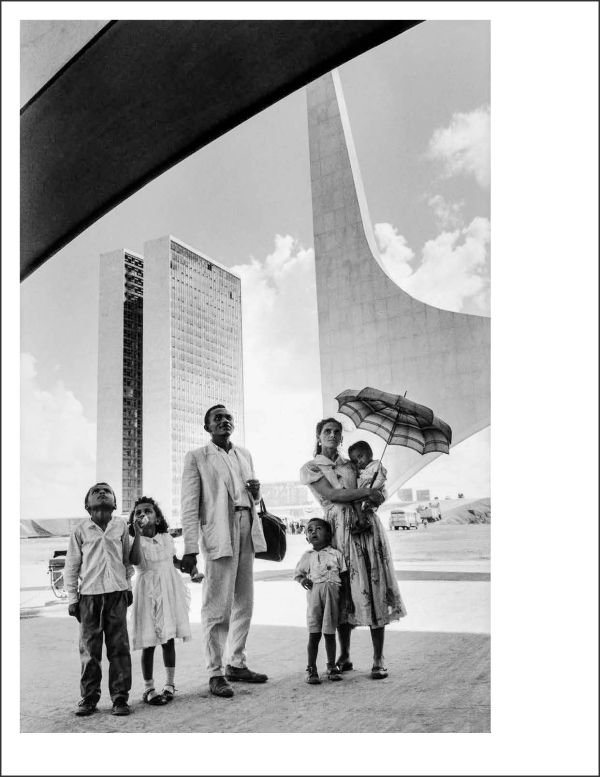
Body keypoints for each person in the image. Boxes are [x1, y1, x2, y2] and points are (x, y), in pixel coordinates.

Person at [299, 419, 407, 680]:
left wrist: (376, 495)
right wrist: (364, 493)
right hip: (337, 529)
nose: (333, 435)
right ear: (318, 436)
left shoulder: (352, 463)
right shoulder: (311, 467)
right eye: (328, 431)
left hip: (366, 526)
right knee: (342, 588)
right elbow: (333, 495)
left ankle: (378, 657)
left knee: (374, 584)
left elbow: (378, 490)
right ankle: (344, 654)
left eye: (337, 432)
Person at [180, 404, 269, 698]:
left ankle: (237, 662)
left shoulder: (244, 454)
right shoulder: (197, 457)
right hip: (219, 530)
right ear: (207, 427)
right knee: (217, 604)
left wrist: (256, 493)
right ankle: (215, 672)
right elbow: (190, 505)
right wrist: (190, 549)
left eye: (228, 417)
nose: (224, 421)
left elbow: (251, 498)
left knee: (245, 599)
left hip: (247, 524)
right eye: (217, 418)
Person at [64, 482, 134, 716]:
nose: (102, 492)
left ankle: (120, 698)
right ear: (87, 505)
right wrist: (73, 598)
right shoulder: (80, 530)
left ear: (115, 503)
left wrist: (128, 587)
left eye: (107, 490)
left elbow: (126, 561)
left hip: (117, 595)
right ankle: (89, 698)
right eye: (96, 491)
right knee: (89, 651)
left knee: (119, 649)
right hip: (89, 598)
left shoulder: (121, 526)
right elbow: (72, 566)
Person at [128, 496, 202, 706]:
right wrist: (135, 533)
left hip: (168, 592)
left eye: (148, 511)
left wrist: (192, 570)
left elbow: (175, 562)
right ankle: (149, 688)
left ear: (158, 518)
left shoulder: (166, 539)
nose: (143, 515)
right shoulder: (136, 542)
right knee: (149, 642)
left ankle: (169, 684)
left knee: (169, 639)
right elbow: (134, 561)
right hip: (147, 592)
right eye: (138, 512)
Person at [294, 518, 348, 685]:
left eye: (318, 529)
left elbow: (344, 577)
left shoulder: (336, 554)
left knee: (330, 633)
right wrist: (303, 580)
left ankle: (331, 666)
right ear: (306, 538)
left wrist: (347, 600)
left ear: (329, 534)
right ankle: (311, 668)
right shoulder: (307, 556)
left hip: (332, 600)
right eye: (309, 530)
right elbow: (298, 574)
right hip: (315, 600)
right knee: (314, 634)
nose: (313, 532)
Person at [347, 440, 387, 532]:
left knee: (367, 506)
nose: (359, 462)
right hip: (363, 491)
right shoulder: (361, 469)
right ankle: (362, 521)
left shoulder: (376, 465)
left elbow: (381, 479)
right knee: (356, 502)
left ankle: (365, 521)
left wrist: (371, 489)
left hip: (372, 490)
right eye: (355, 461)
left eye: (360, 456)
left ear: (370, 453)